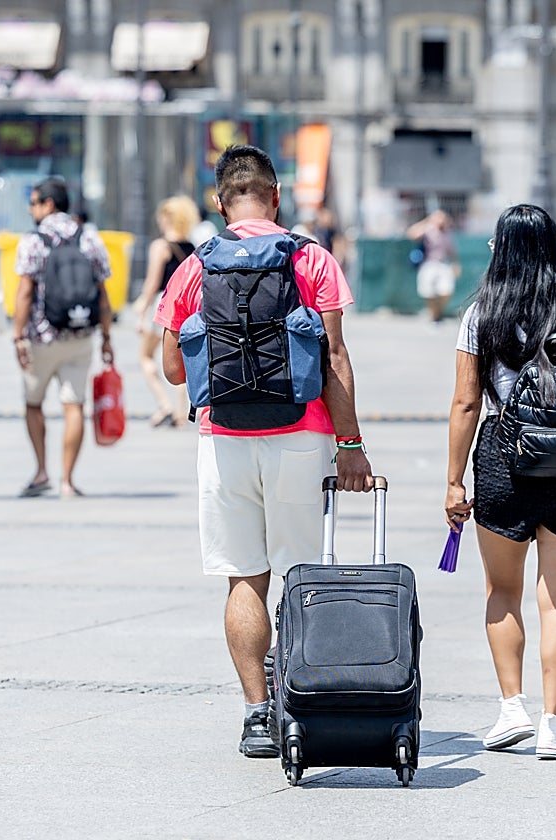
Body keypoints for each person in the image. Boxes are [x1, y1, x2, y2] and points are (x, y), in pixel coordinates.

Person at [156, 145, 374, 759]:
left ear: (220, 203)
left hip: (224, 440)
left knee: (244, 578)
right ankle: (301, 703)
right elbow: (334, 359)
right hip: (302, 437)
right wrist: (350, 444)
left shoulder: (196, 266)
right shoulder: (311, 258)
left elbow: (174, 370)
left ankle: (256, 714)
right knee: (303, 578)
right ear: (277, 196)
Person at [444, 204, 556, 760]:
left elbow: (465, 403)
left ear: (501, 248)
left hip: (504, 460)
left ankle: (511, 709)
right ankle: (554, 725)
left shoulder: (484, 313)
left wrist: (454, 481)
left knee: (503, 591)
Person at [14, 177, 113, 498]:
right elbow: (102, 294)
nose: (31, 209)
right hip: (80, 335)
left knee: (33, 404)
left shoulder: (33, 240)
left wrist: (17, 336)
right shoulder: (89, 237)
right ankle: (67, 481)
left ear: (48, 204)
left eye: (33, 203)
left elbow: (24, 292)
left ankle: (42, 471)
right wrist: (107, 337)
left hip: (41, 338)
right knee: (74, 406)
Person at [131, 196, 199, 428]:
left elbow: (152, 284)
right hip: (187, 307)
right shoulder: (192, 247)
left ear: (168, 218)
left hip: (163, 305)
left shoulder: (161, 246)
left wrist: (141, 313)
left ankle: (164, 405)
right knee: (181, 360)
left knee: (145, 357)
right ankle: (180, 412)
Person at [406, 209, 459, 324]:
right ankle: (434, 316)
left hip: (443, 264)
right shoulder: (428, 230)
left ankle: (438, 312)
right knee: (428, 291)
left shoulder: (447, 233)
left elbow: (452, 251)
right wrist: (428, 221)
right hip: (429, 263)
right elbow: (411, 233)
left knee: (446, 290)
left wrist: (455, 264)